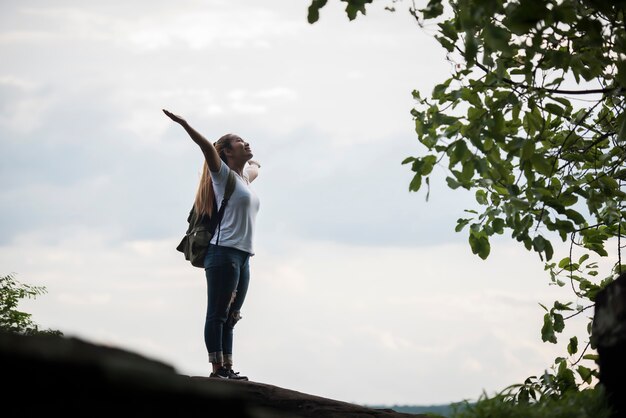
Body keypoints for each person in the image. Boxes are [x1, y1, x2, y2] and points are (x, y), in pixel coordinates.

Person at [163, 109, 261, 381]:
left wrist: (255, 163)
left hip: (243, 256)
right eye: (240, 141)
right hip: (223, 253)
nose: (246, 143)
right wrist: (185, 125)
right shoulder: (223, 176)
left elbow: (255, 169)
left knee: (232, 316)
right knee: (217, 314)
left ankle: (228, 367)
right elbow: (206, 147)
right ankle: (217, 370)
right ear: (227, 153)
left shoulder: (243, 180)